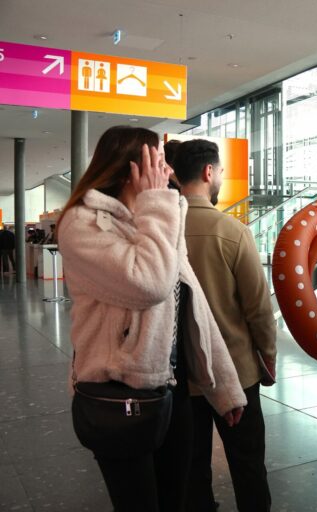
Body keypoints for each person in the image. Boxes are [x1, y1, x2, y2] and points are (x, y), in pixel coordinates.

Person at [57, 126, 247, 512]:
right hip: (118, 395)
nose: (168, 171)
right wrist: (157, 204)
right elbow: (151, 284)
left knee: (175, 500)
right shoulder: (83, 222)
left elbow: (190, 302)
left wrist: (224, 387)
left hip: (172, 388)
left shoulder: (155, 219)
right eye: (159, 161)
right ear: (132, 167)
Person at [173, 139, 277, 512]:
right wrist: (267, 355)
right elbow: (258, 308)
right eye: (219, 172)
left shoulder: (160, 232)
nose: (219, 177)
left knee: (191, 469)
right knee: (248, 465)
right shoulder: (232, 231)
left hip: (180, 377)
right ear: (208, 172)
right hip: (236, 372)